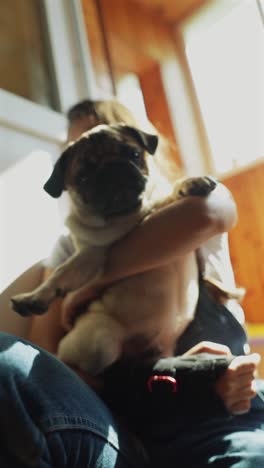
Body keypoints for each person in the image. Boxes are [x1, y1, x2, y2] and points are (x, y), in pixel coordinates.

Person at [0, 99, 263, 467]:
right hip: (128, 424)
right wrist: (167, 379)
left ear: (142, 141)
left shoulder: (191, 197)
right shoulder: (66, 245)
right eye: (85, 164)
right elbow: (49, 356)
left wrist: (86, 280)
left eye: (119, 151)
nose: (105, 164)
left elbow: (209, 211)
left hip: (218, 419)